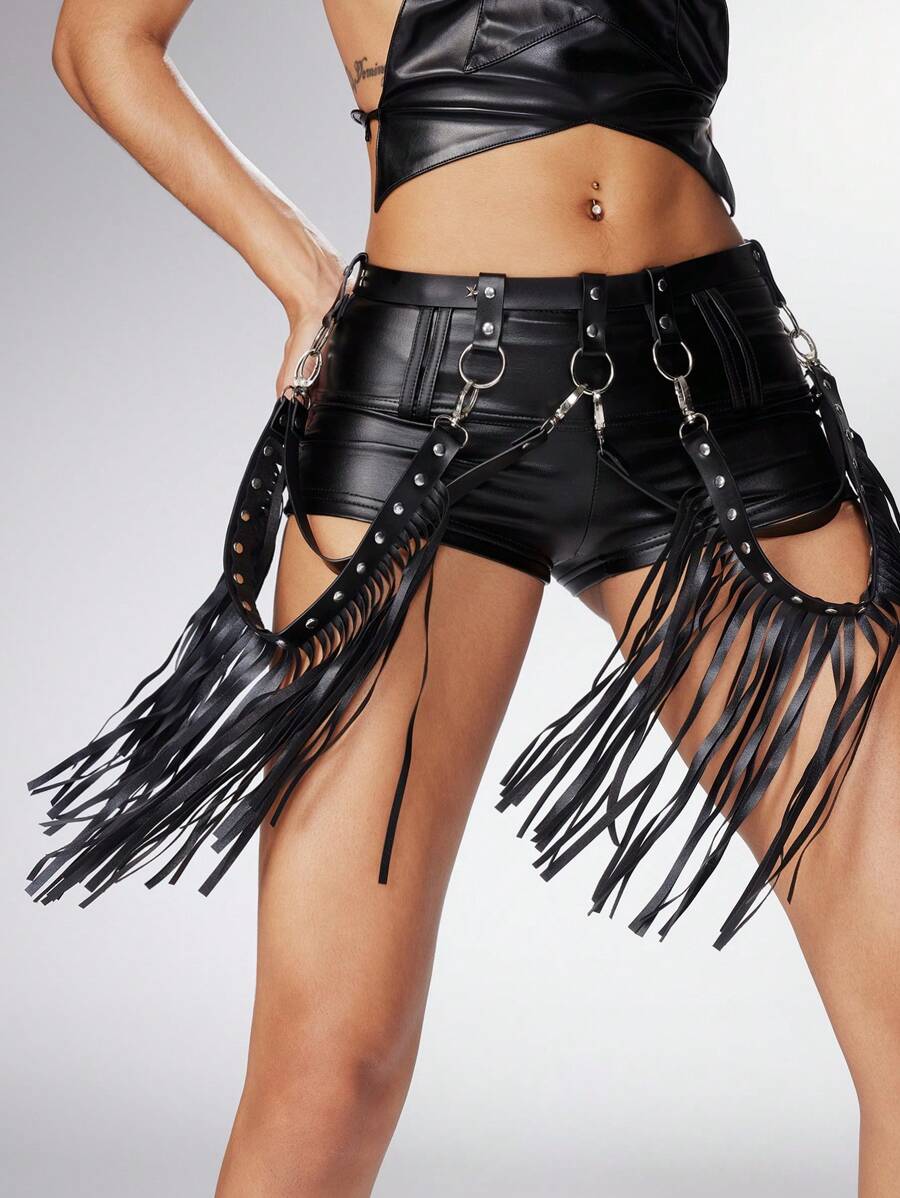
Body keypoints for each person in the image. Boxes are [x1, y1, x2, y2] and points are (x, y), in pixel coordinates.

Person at [32, 2, 900, 1195]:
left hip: (712, 379)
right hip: (427, 400)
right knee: (330, 1071)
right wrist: (300, 269)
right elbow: (101, 41)